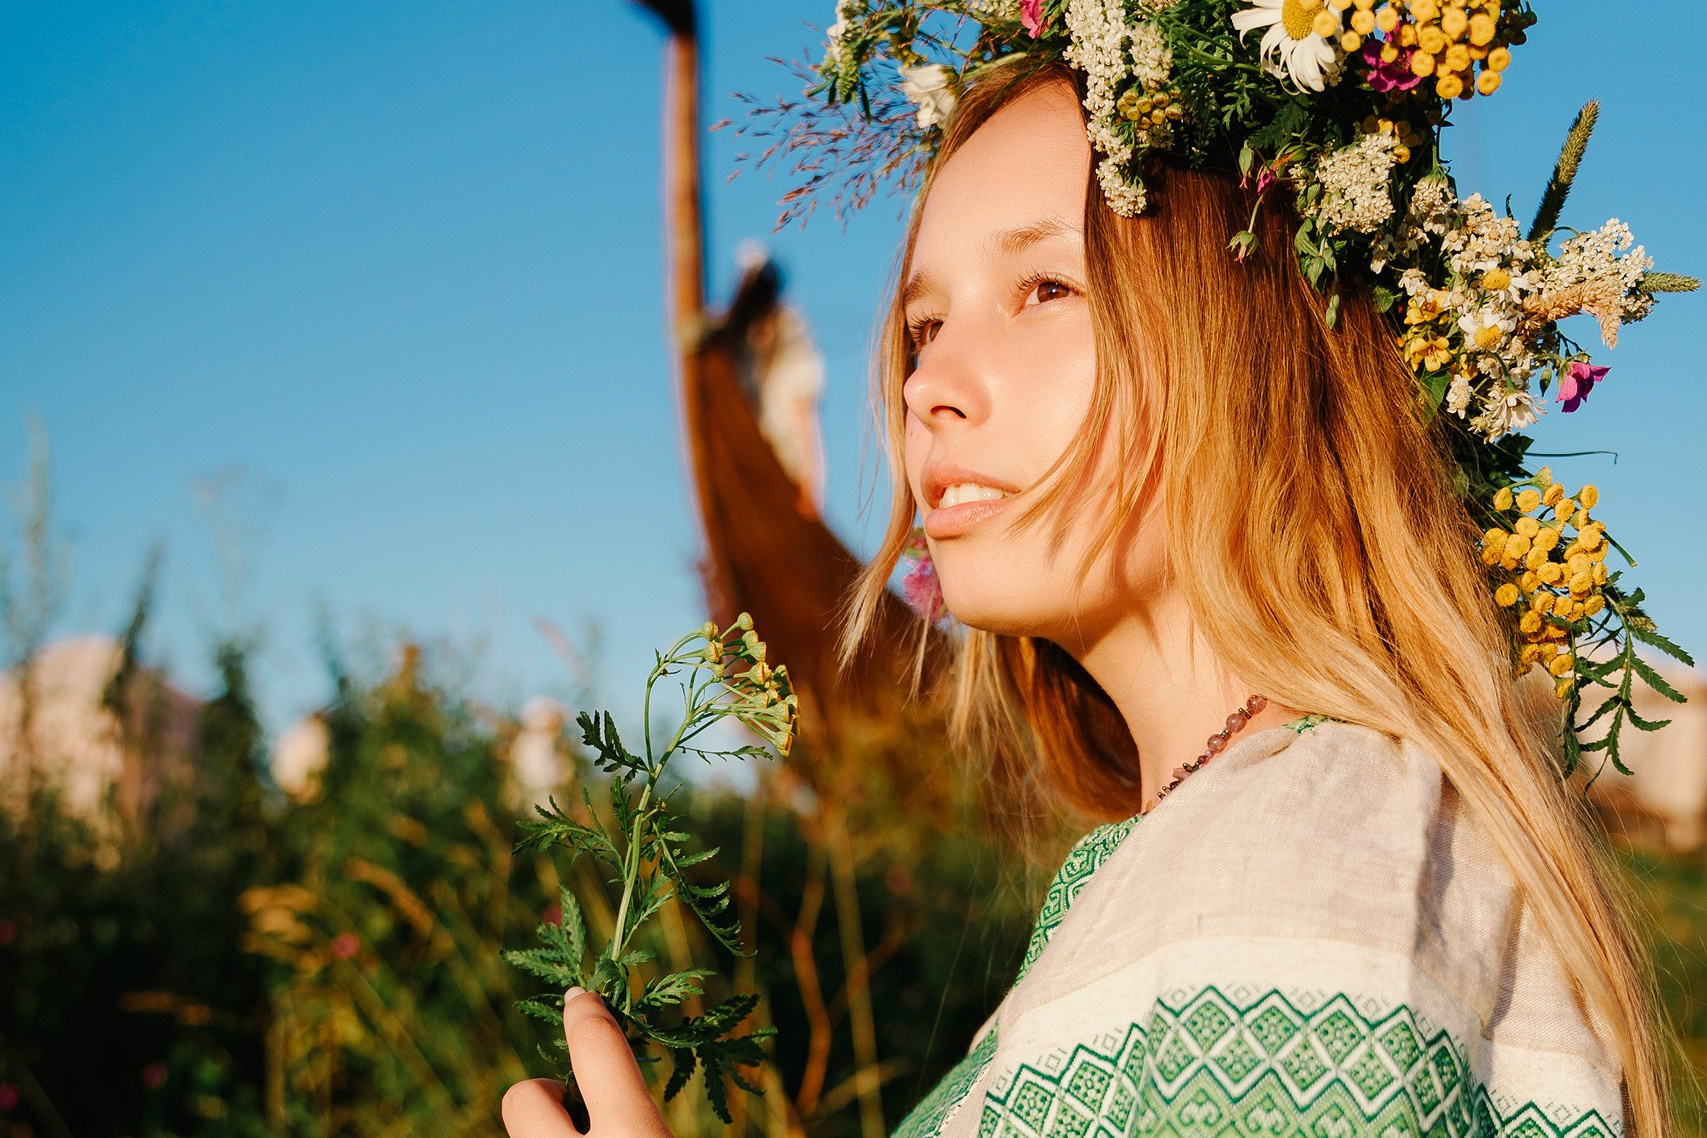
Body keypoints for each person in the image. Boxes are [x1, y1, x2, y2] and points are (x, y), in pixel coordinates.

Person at [505, 4, 1692, 1134]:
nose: (927, 386)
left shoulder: (1287, 875)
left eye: (1046, 288)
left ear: (1254, 348)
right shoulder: (1237, 844)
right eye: (924, 324)